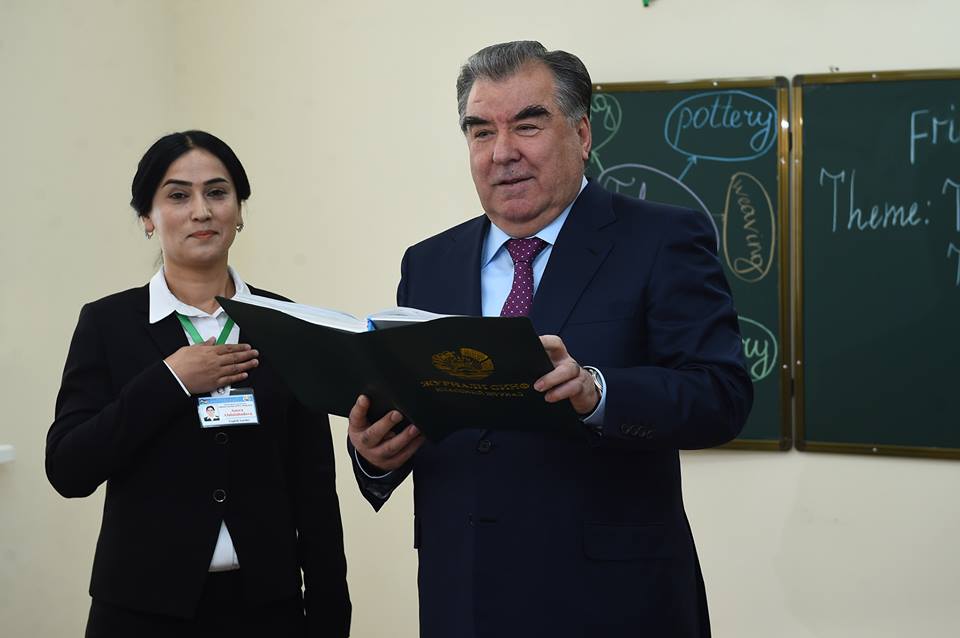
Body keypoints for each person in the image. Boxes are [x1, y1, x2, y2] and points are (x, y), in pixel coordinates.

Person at [347, 42, 752, 637]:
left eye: (527, 126)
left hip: (612, 603)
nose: (502, 152)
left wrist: (597, 392)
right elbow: (424, 410)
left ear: (582, 134)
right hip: (464, 598)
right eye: (481, 132)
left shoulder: (662, 240)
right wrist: (375, 455)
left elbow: (721, 395)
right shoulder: (428, 264)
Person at [47, 131, 350, 638]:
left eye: (217, 192)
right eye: (177, 195)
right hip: (140, 611)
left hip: (266, 611)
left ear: (239, 210)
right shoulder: (107, 323)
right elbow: (68, 468)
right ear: (147, 217)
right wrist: (171, 379)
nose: (201, 211)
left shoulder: (287, 323)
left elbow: (315, 491)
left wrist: (329, 617)